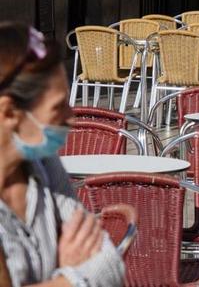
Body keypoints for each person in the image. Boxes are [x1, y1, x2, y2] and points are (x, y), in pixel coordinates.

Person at [0, 22, 125, 286]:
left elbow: (110, 263)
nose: (71, 118)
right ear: (10, 112)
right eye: (58, 107)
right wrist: (69, 276)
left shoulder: (44, 165)